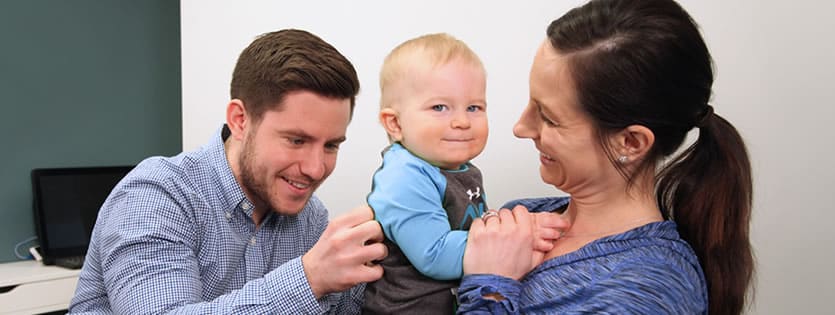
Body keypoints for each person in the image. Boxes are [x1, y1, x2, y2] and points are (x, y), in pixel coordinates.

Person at [456, 0, 754, 314]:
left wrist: (491, 288)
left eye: (549, 118)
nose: (521, 127)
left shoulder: (647, 289)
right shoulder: (523, 220)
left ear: (630, 142)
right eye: (532, 104)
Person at [69, 29, 388, 314]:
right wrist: (310, 279)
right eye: (296, 140)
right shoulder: (155, 194)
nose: (316, 168)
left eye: (331, 145)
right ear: (239, 120)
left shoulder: (311, 219)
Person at [362, 33, 565, 314]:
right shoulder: (403, 178)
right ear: (395, 123)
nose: (461, 122)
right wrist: (515, 237)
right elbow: (435, 254)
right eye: (439, 107)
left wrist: (504, 224)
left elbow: (469, 226)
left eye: (474, 107)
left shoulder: (456, 167)